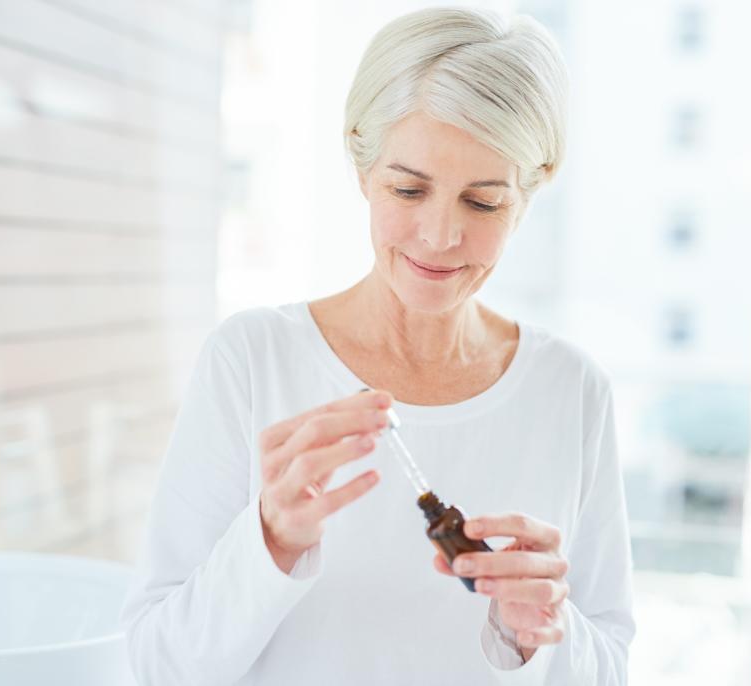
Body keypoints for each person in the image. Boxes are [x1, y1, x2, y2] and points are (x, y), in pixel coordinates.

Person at [120, 7, 635, 685]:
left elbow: (610, 669)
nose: (440, 235)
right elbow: (160, 664)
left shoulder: (572, 392)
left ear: (531, 192)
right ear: (361, 164)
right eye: (408, 188)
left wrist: (538, 636)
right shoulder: (251, 359)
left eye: (483, 203)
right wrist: (270, 539)